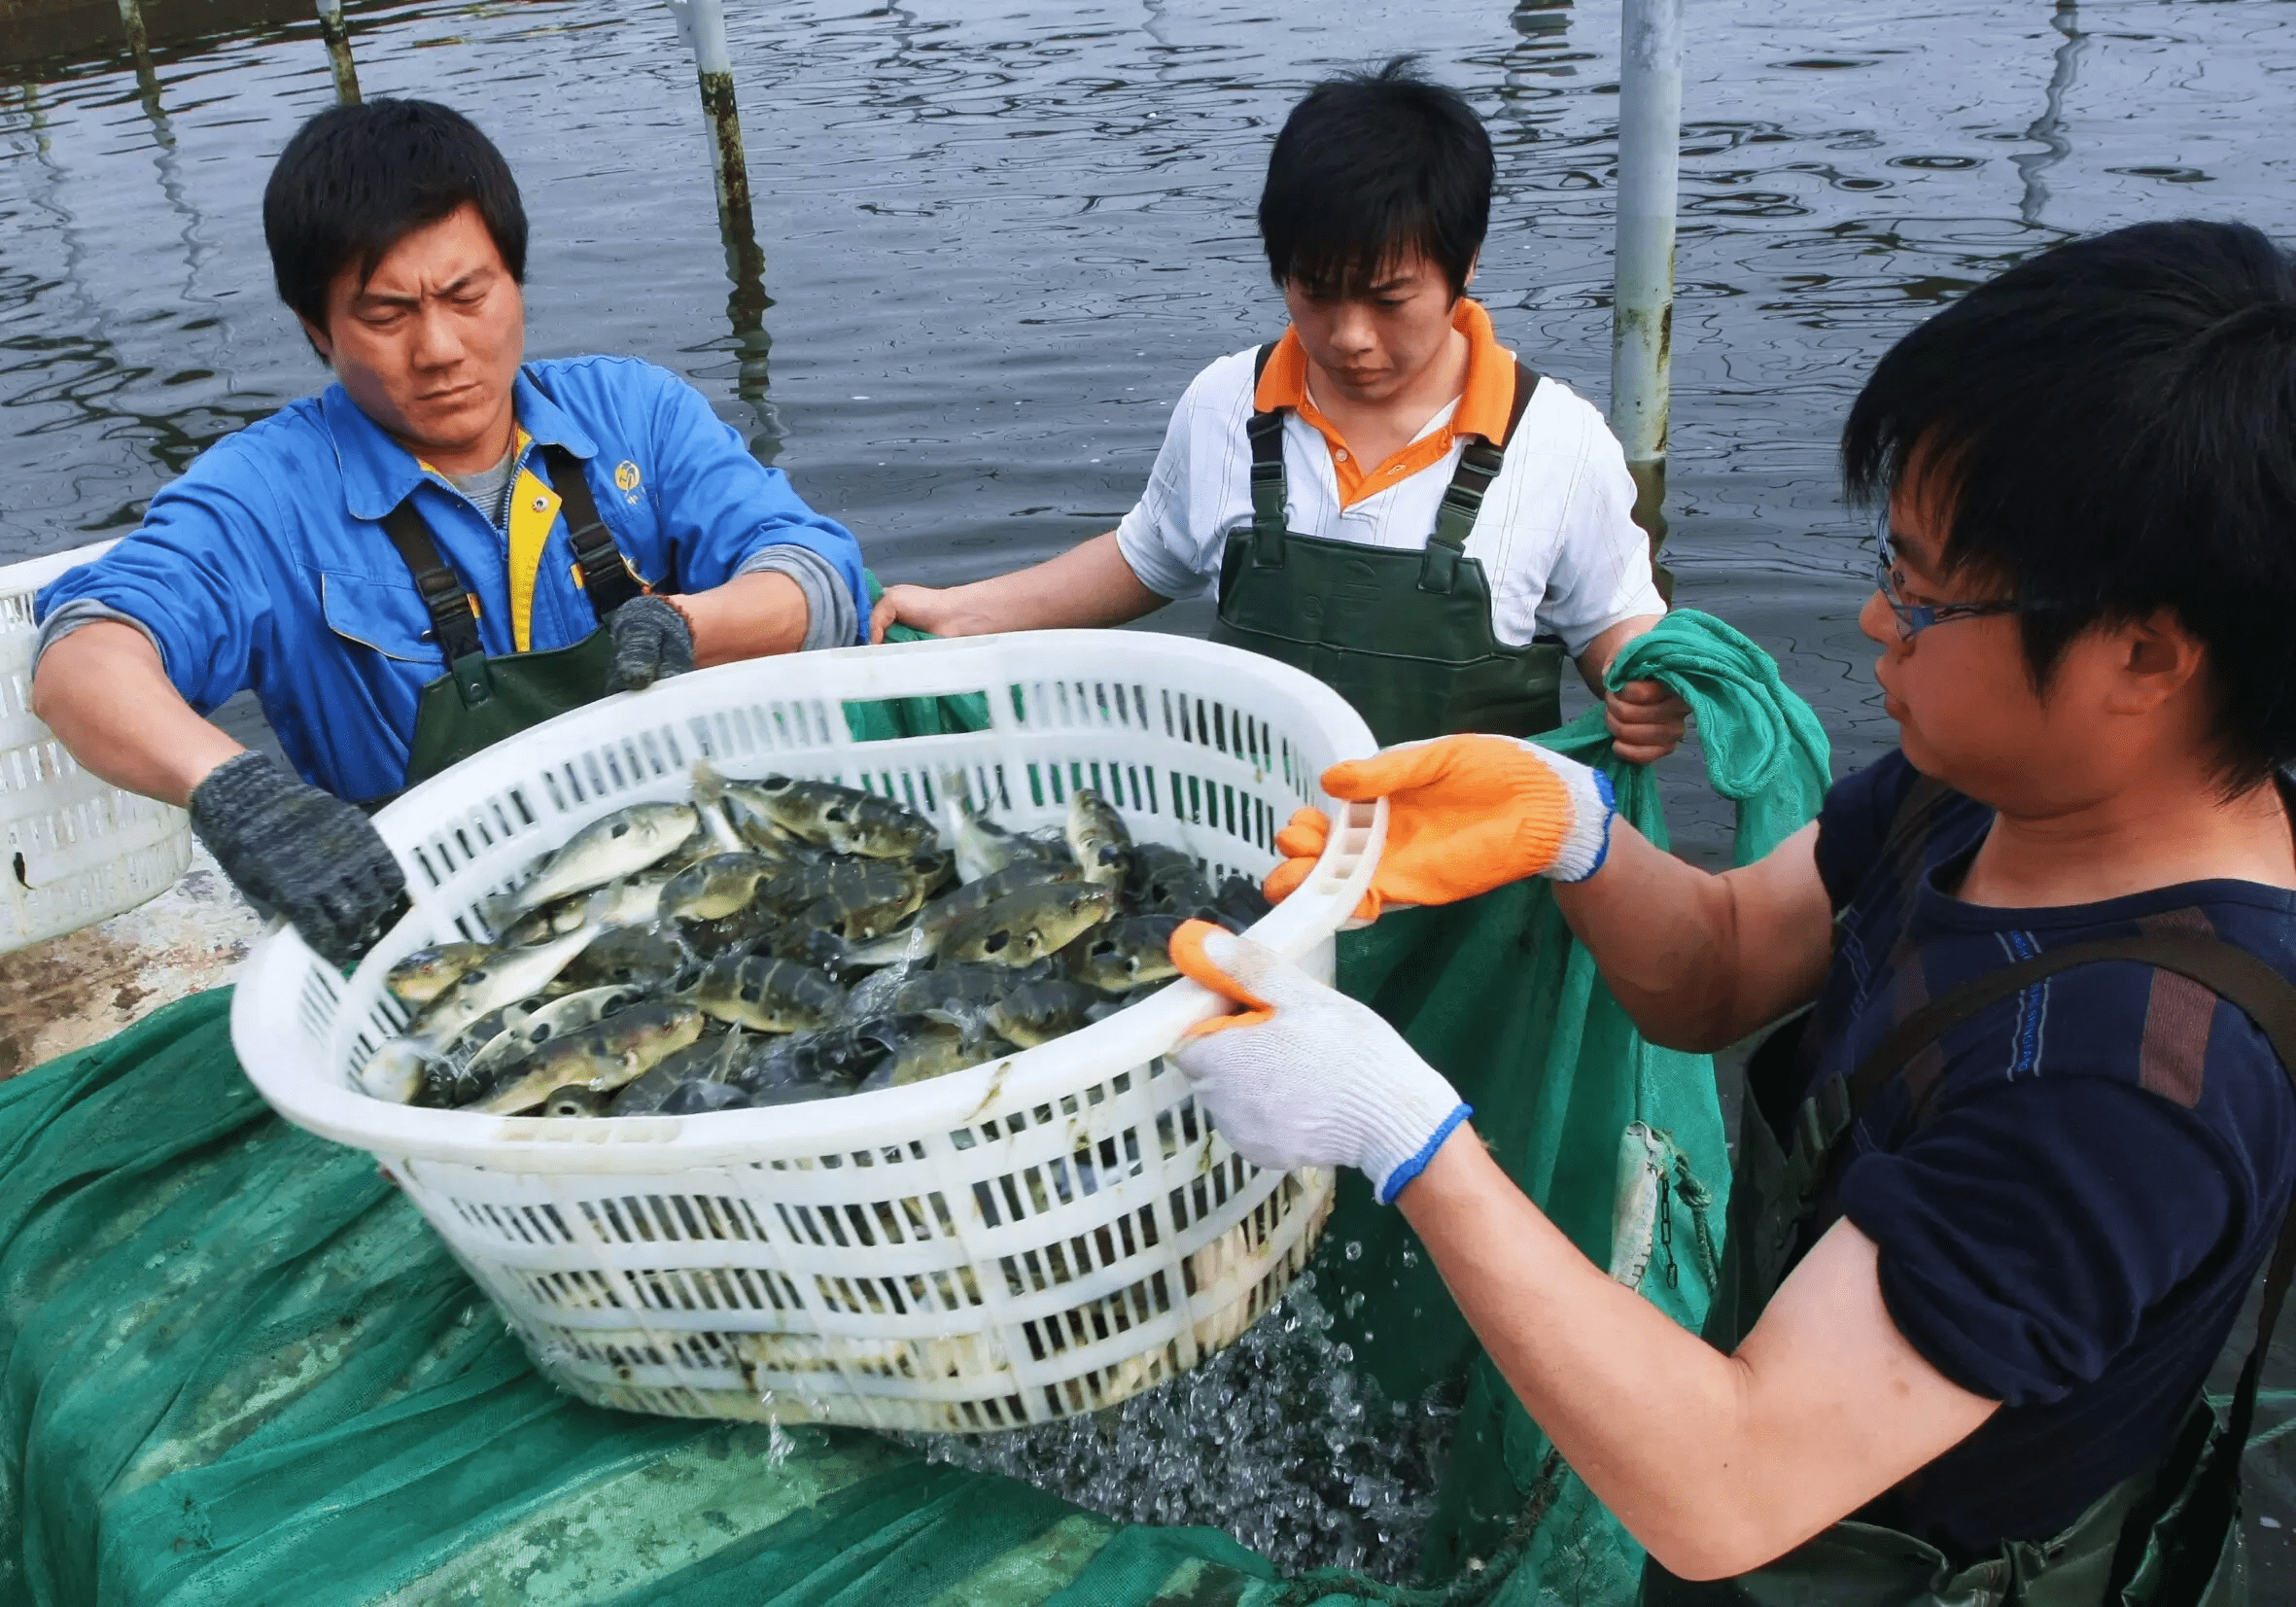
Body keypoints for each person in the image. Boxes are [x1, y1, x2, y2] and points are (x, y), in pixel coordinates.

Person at [1167, 218, 2296, 1601]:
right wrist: (1569, 834)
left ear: (2142, 654)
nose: (1877, 627)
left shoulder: (2125, 1088)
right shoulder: (1988, 800)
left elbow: (1732, 1479)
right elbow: (1716, 967)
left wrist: (1410, 1141)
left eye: (1922, 594)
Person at [31, 99, 868, 965]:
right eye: (387, 316)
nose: (439, 348)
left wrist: (691, 625)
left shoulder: (637, 417)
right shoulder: (263, 497)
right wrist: (232, 789)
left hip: (699, 876)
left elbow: (819, 575)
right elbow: (80, 655)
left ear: (515, 280)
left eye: (468, 295)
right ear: (317, 327)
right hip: (436, 936)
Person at [871, 58, 1688, 763]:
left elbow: (1613, 622)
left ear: (1464, 263)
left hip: (1472, 897)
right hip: (1262, 847)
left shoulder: (1561, 440)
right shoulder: (1227, 401)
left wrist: (1646, 690)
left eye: (1390, 298)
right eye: (1315, 292)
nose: (1350, 336)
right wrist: (962, 610)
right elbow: (1146, 555)